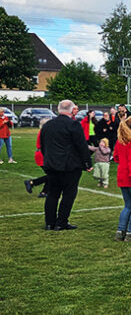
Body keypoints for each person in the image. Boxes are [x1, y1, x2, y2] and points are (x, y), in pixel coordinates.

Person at [38, 99, 92, 231]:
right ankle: (61, 222)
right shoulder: (73, 124)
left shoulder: (48, 125)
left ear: (58, 109)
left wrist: (48, 159)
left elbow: (43, 145)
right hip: (70, 165)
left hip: (51, 164)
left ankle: (50, 222)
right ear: (72, 110)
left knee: (53, 194)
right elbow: (82, 146)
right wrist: (87, 163)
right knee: (68, 194)